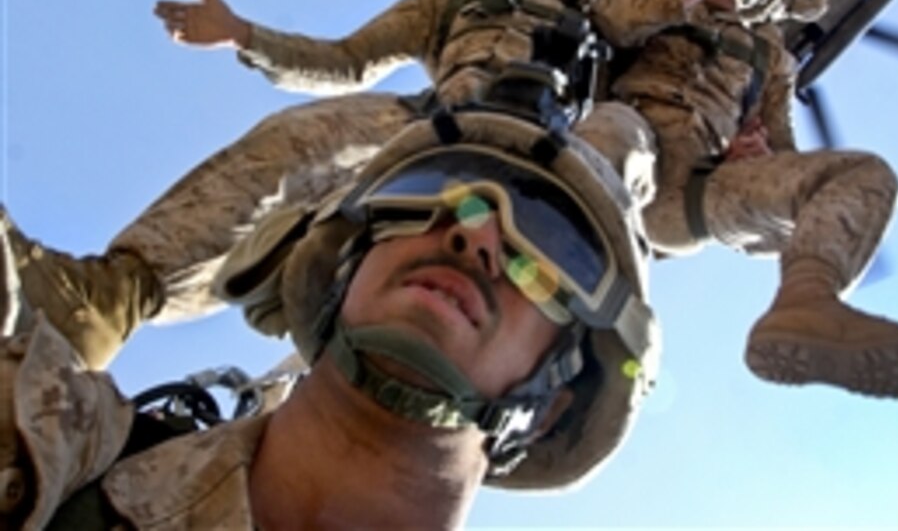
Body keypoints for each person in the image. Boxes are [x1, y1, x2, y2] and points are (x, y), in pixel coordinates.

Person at [0, 0, 628, 370]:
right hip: (429, 124)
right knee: (295, 142)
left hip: (533, 161)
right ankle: (101, 303)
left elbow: (670, 12)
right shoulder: (453, 4)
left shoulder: (601, 30)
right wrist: (244, 35)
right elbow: (350, 60)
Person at [0, 108, 660, 528]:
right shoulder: (49, 434)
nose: (473, 233)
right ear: (342, 268)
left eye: (548, 245)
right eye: (428, 191)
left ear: (551, 407)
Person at [589, 0, 898, 398]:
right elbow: (610, 18)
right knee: (618, 133)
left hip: (692, 194)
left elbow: (782, 146)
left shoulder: (770, 58)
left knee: (863, 175)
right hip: (620, 147)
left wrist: (761, 153)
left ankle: (809, 303)